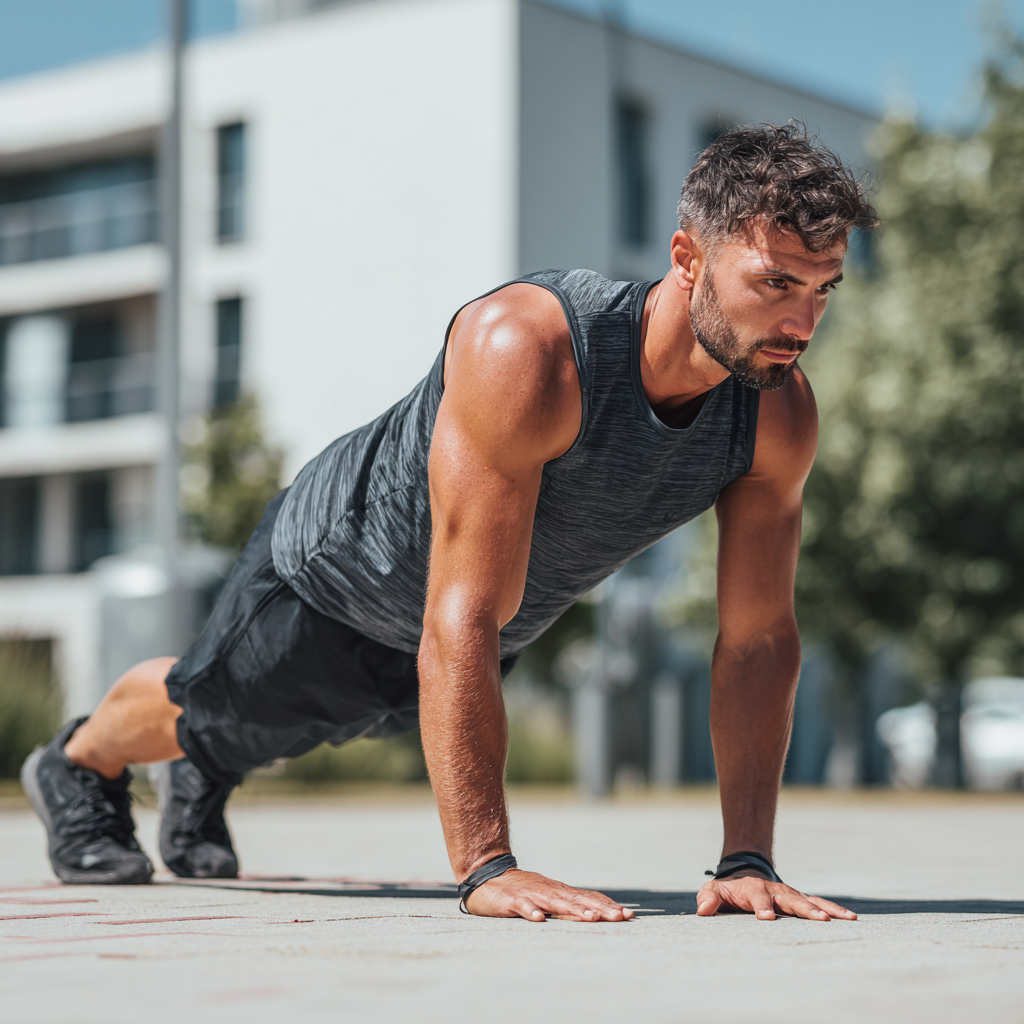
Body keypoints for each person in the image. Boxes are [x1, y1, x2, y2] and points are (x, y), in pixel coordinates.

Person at [23, 123, 877, 923]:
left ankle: (204, 772)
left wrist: (746, 859)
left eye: (822, 290)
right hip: (339, 572)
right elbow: (456, 611)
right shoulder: (531, 349)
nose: (801, 324)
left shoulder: (774, 413)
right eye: (775, 283)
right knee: (220, 706)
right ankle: (77, 764)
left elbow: (759, 638)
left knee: (339, 721)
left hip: (482, 627)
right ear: (688, 258)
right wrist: (488, 868)